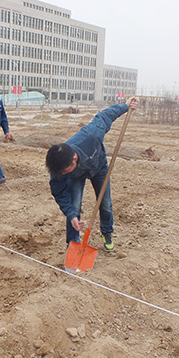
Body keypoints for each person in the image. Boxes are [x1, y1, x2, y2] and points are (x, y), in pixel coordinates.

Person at [46, 97, 139, 252]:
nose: (61, 174)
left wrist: (125, 106)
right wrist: (71, 216)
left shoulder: (91, 135)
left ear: (74, 160)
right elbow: (60, 194)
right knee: (74, 208)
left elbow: (105, 116)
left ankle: (107, 232)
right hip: (77, 176)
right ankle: (73, 243)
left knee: (105, 203)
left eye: (64, 171)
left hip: (98, 166)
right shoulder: (58, 169)